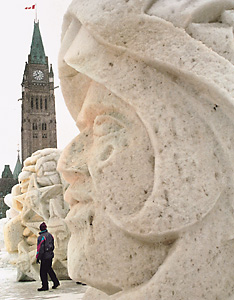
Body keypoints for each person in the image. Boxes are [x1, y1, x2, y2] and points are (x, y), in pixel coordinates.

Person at [36, 222, 60, 291]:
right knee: (49, 269)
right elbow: (53, 245)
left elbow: (40, 248)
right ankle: (55, 282)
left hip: (44, 256)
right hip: (50, 255)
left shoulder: (41, 237)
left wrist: (38, 257)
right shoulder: (50, 235)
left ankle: (45, 286)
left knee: (42, 272)